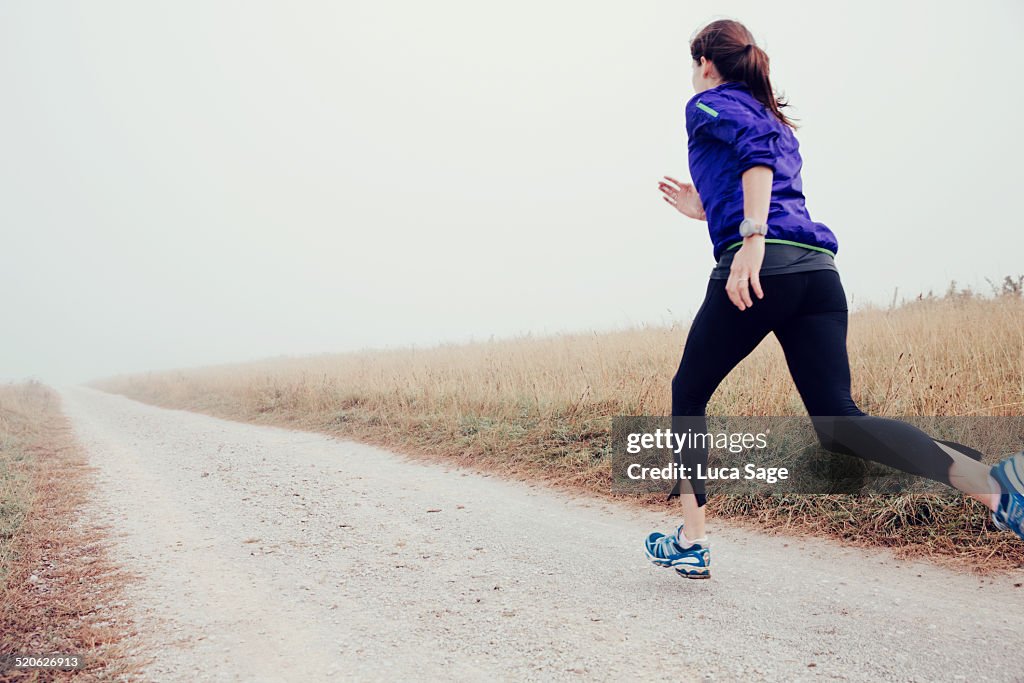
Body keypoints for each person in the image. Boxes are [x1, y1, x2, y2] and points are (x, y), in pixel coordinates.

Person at [643, 18, 1024, 579]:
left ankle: (692, 539)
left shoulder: (706, 105)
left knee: (688, 392)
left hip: (762, 267)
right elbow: (762, 172)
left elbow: (755, 163)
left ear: (705, 63)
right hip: (817, 275)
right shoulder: (770, 115)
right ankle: (995, 486)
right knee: (840, 425)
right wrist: (706, 208)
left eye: (693, 66)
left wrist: (749, 242)